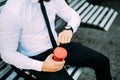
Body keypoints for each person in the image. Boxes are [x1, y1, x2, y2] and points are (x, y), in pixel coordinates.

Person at [0, 0, 112, 80]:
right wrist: (42, 66)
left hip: (57, 46)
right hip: (36, 58)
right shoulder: (13, 10)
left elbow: (73, 16)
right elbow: (7, 54)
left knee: (102, 61)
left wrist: (69, 29)